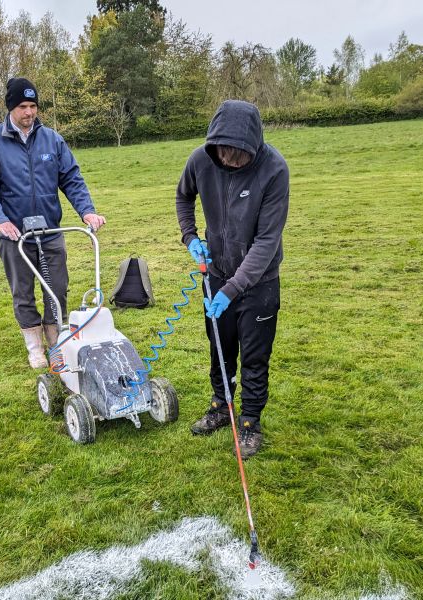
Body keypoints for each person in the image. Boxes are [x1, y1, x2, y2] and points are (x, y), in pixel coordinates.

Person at [176, 99, 289, 458]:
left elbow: (267, 241)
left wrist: (234, 288)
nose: (230, 161)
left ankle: (249, 422)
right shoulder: (201, 160)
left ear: (253, 146)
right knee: (219, 348)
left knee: (254, 356)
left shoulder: (274, 170)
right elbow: (183, 197)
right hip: (217, 273)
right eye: (224, 153)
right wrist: (191, 237)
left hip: (259, 283)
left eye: (239, 156)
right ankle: (221, 406)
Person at [0, 77, 106, 369]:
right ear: (11, 108)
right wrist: (0, 221)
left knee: (57, 289)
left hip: (50, 230)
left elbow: (71, 178)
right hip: (14, 235)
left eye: (33, 106)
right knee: (23, 292)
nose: (29, 112)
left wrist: (87, 211)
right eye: (23, 106)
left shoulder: (52, 140)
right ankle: (35, 348)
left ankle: (56, 344)